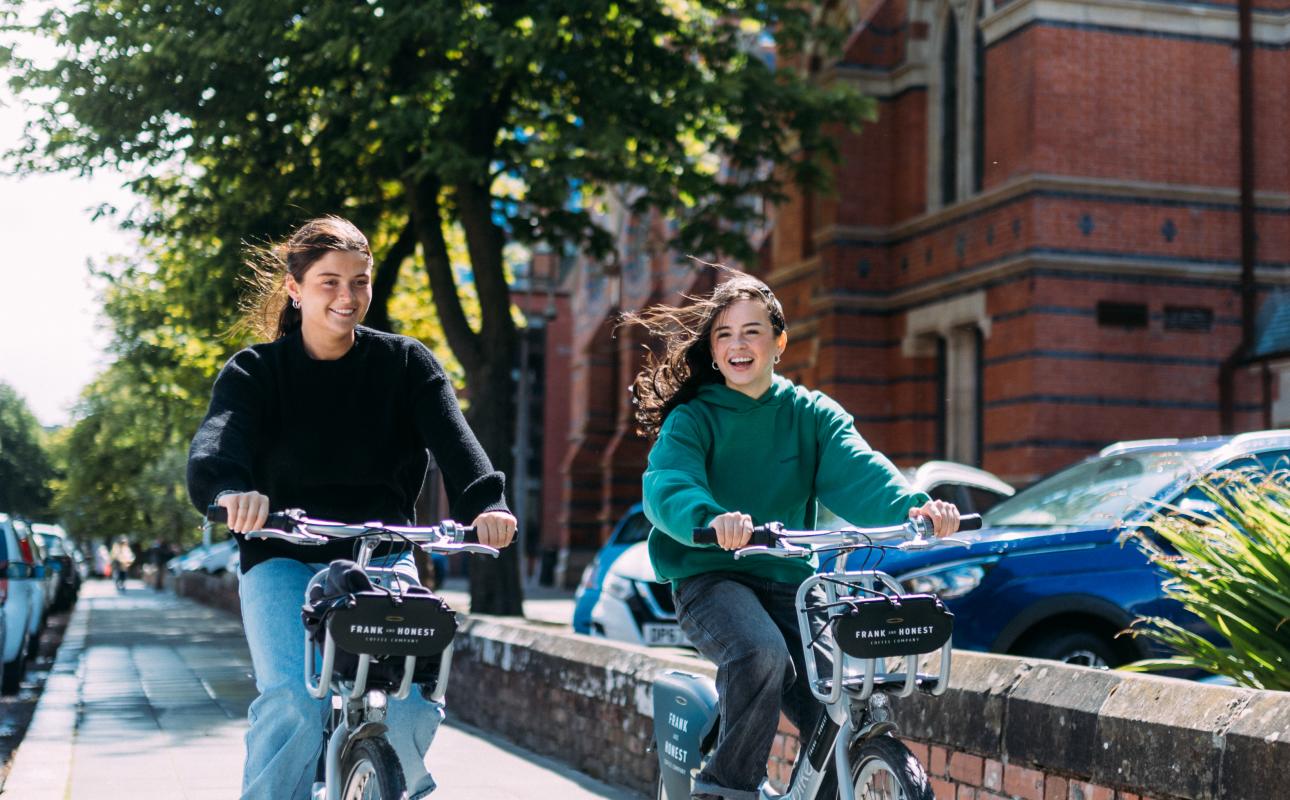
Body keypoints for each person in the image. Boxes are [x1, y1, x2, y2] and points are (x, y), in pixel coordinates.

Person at [187, 216, 517, 800]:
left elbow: (458, 446)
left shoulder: (406, 365)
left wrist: (487, 503)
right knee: (291, 698)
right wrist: (230, 491)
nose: (348, 297)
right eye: (329, 282)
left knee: (417, 697)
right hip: (280, 556)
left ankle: (385, 781)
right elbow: (219, 443)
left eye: (359, 282)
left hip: (382, 561)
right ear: (295, 288)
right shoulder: (256, 372)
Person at [629, 271, 961, 800]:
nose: (738, 345)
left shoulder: (811, 415)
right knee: (761, 654)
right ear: (713, 350)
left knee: (841, 693)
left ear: (779, 342)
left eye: (752, 331)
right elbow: (668, 484)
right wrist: (713, 518)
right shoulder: (693, 418)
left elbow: (860, 470)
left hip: (789, 582)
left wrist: (917, 508)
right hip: (710, 578)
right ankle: (724, 788)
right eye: (725, 334)